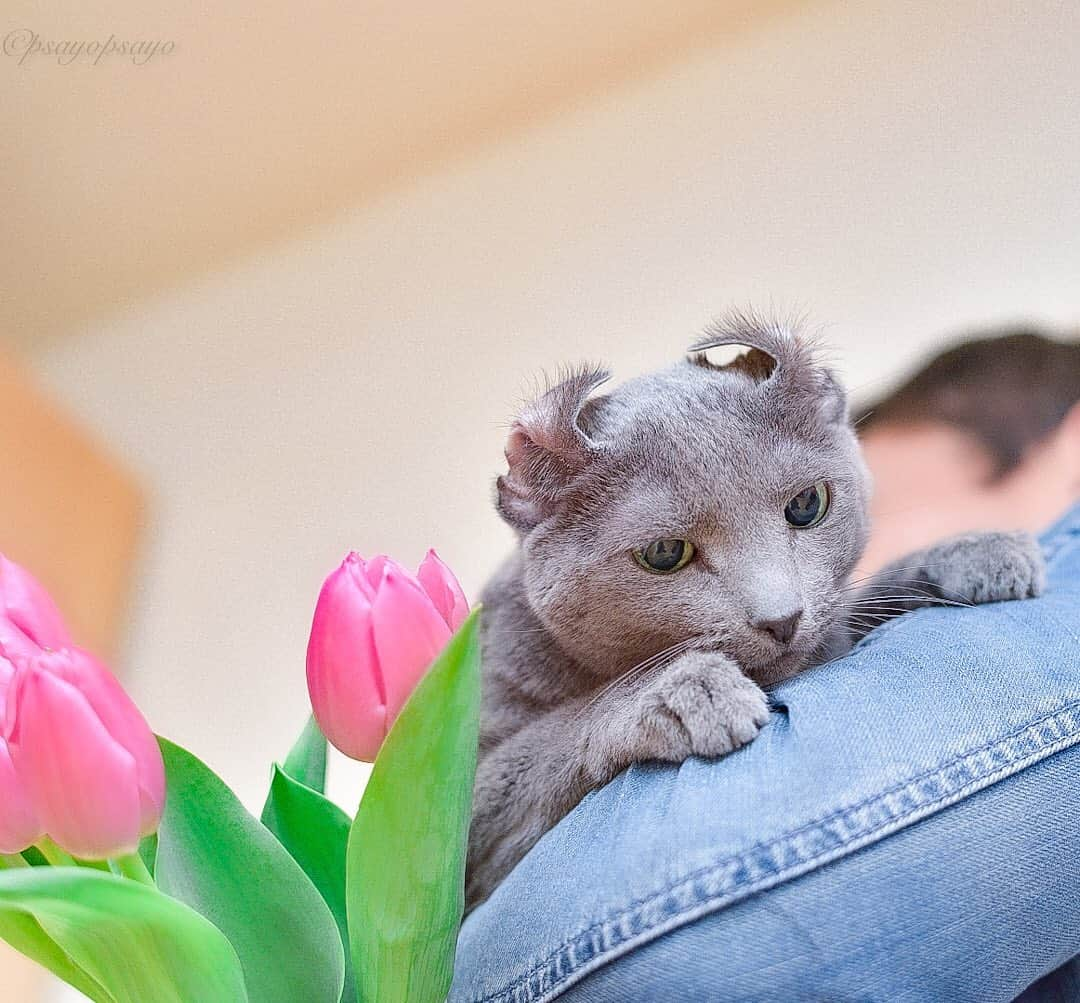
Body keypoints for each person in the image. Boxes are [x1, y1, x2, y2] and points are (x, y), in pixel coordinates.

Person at [451, 326, 1080, 1003]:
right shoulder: (507, 649)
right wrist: (605, 723)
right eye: (667, 553)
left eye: (806, 508)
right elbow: (456, 858)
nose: (780, 606)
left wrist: (912, 585)